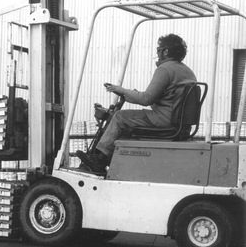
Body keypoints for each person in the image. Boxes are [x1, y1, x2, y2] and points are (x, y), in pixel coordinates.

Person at [75, 33, 197, 175]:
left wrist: (121, 90)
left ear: (166, 51)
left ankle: (99, 160)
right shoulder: (187, 71)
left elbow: (146, 99)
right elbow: (159, 96)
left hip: (163, 120)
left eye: (158, 50)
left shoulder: (165, 69)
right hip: (179, 124)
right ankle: (111, 159)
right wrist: (129, 94)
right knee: (127, 119)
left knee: (120, 117)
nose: (157, 54)